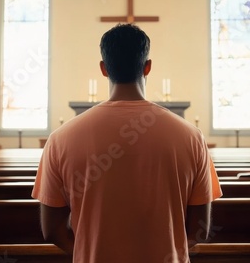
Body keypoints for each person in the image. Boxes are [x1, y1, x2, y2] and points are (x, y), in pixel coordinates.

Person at [32, 24, 222, 263]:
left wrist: (91, 251)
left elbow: (52, 230)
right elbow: (199, 230)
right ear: (148, 67)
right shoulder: (192, 137)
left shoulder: (60, 139)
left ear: (103, 68)